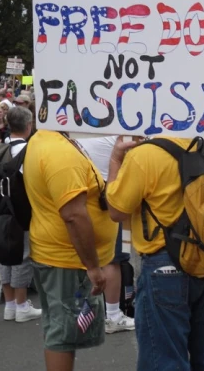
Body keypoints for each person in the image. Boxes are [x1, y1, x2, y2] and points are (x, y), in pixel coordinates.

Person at [107, 135, 204, 370]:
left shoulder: (145, 154)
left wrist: (115, 160)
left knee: (163, 361)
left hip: (164, 264)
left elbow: (116, 210)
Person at [24, 130, 116, 371]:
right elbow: (74, 215)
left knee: (63, 330)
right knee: (63, 335)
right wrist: (93, 267)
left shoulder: (46, 138)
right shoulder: (60, 153)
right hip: (67, 260)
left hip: (61, 256)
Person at [77, 135, 135, 334]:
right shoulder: (119, 136)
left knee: (91, 258)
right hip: (109, 203)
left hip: (84, 203)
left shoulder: (78, 136)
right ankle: (113, 315)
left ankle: (89, 313)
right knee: (114, 259)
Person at [0, 106, 41, 323]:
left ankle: (10, 304)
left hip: (1, 209)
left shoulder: (0, 148)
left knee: (5, 254)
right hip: (22, 209)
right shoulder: (30, 150)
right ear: (29, 125)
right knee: (22, 256)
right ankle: (22, 305)